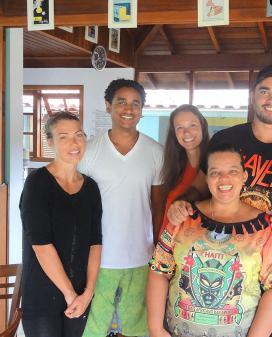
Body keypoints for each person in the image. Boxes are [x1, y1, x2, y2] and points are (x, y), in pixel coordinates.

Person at [167, 63, 272, 337]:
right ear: (253, 96)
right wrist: (181, 204)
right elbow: (200, 187)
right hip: (216, 268)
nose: (271, 99)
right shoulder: (227, 139)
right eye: (264, 91)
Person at [148, 143, 272, 337]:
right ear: (207, 178)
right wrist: (156, 329)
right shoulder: (184, 218)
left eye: (232, 171)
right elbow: (159, 271)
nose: (223, 179)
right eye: (215, 172)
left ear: (244, 176)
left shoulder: (266, 227)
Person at [79, 79, 165, 337]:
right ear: (108, 106)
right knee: (93, 325)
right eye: (121, 102)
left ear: (142, 109)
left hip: (141, 255)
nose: (128, 108)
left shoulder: (155, 151)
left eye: (135, 103)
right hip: (98, 258)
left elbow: (157, 205)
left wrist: (159, 250)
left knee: (138, 325)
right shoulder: (88, 151)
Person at [20, 111, 102, 337]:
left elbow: (95, 243)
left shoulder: (91, 188)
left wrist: (88, 292)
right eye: (63, 136)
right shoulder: (37, 183)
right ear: (50, 143)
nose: (74, 143)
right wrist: (69, 294)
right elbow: (41, 244)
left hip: (80, 295)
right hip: (42, 296)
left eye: (79, 135)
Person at [160, 104, 209, 237]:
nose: (186, 133)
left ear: (203, 127)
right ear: (174, 133)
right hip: (166, 246)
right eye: (180, 127)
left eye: (192, 125)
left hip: (193, 250)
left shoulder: (213, 168)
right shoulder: (174, 167)